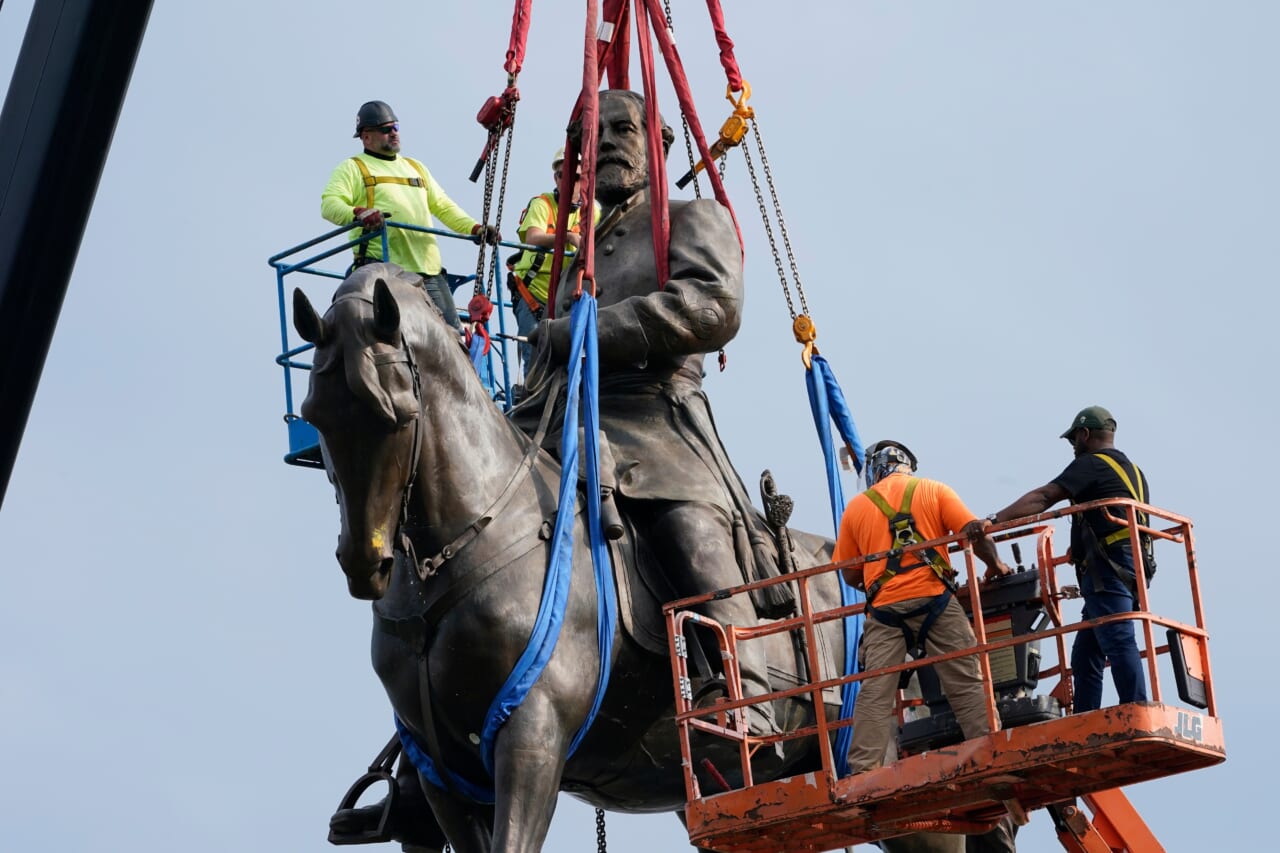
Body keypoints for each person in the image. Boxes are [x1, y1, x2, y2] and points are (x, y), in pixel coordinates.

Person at [523, 89, 785, 733]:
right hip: (565, 419)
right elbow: (550, 356)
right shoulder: (573, 259)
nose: (605, 143)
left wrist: (590, 329)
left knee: (686, 526)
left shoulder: (693, 218)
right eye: (591, 136)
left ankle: (741, 686)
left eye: (622, 129)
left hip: (657, 417)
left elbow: (713, 306)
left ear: (659, 144)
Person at [835, 440, 1011, 775]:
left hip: (885, 613)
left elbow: (849, 572)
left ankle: (862, 772)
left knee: (876, 692)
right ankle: (991, 750)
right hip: (936, 602)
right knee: (966, 679)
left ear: (876, 469)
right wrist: (997, 565)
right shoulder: (934, 490)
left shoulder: (857, 508)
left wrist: (879, 581)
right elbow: (975, 534)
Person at [982, 405, 1150, 712]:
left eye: (1074, 439)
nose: (1073, 446)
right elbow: (1108, 517)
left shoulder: (1090, 464)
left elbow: (1044, 497)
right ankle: (1087, 716)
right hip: (1130, 566)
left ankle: (1136, 709)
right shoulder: (1133, 471)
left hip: (1108, 569)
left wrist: (994, 520)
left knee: (1117, 637)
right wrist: (1079, 549)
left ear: (1085, 434)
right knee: (1086, 654)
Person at [321, 100, 500, 331]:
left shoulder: (415, 167)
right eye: (386, 129)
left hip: (428, 272)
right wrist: (358, 213)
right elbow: (329, 204)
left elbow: (443, 206)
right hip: (381, 268)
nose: (394, 133)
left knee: (453, 339)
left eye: (395, 127)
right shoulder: (353, 168)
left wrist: (476, 229)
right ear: (366, 137)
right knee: (385, 337)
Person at [509, 148, 598, 370]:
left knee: (568, 362)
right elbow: (533, 236)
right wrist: (568, 237)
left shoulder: (592, 212)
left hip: (566, 298)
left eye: (576, 177)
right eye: (563, 175)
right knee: (536, 359)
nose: (569, 182)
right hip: (533, 296)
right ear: (555, 178)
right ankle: (531, 401)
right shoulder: (543, 204)